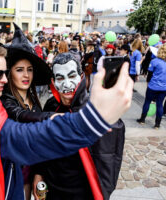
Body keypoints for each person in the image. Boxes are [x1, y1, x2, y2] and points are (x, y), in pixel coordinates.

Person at [0, 42, 133, 200]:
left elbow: (107, 163)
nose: (4, 79)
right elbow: (22, 138)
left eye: (5, 72)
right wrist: (90, 121)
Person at [32, 52, 125, 200]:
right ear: (53, 82)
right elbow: (42, 145)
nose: (67, 84)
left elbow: (109, 159)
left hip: (82, 193)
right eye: (60, 78)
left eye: (71, 76)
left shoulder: (95, 109)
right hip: (53, 189)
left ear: (81, 78)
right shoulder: (51, 106)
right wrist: (38, 173)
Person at [0, 24, 54, 200]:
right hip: (16, 174)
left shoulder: (35, 101)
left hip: (37, 170)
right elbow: (19, 114)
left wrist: (40, 177)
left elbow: (42, 143)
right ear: (10, 73)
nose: (26, 75)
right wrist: (51, 118)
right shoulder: (5, 101)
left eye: (29, 69)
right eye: (19, 70)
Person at [137, 43, 166, 129]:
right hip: (164, 87)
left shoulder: (154, 61)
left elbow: (149, 76)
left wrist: (148, 85)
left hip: (153, 86)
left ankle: (142, 119)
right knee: (159, 104)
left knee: (147, 102)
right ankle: (157, 124)